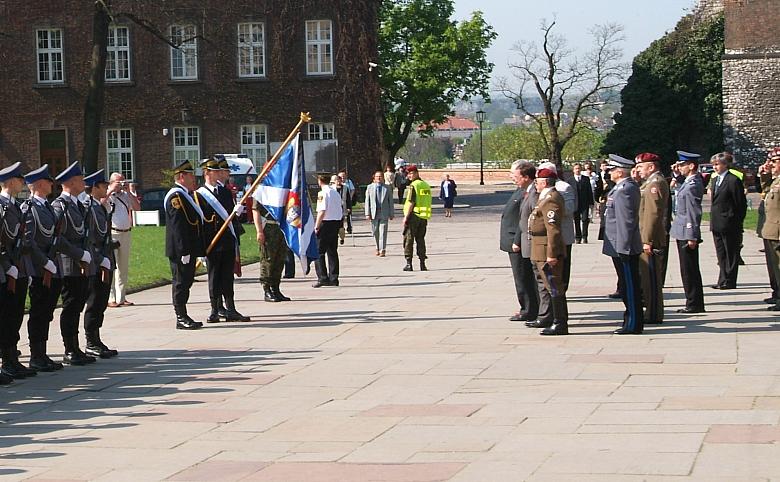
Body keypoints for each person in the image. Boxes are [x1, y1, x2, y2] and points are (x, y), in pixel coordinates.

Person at [51, 162, 100, 365]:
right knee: (71, 306)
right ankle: (69, 348)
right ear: (71, 182)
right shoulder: (59, 205)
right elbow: (59, 237)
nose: (83, 183)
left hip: (81, 263)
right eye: (80, 179)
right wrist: (79, 254)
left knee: (77, 305)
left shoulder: (77, 204)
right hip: (70, 264)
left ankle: (76, 346)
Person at [194, 159, 249, 323]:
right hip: (212, 242)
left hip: (227, 240)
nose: (219, 174)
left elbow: (230, 216)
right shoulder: (199, 195)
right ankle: (215, 309)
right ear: (207, 173)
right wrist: (200, 249)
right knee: (214, 277)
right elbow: (200, 222)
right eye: (215, 171)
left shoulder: (225, 192)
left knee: (227, 276)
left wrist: (237, 212)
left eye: (219, 171)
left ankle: (230, 308)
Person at [0, 163, 37, 382]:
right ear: (11, 182)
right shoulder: (2, 206)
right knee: (6, 317)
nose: (23, 183)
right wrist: (8, 266)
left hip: (18, 268)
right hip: (8, 269)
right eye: (20, 180)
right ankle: (7, 360)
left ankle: (12, 359)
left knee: (14, 316)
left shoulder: (14, 205)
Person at [603, 155, 644, 335]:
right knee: (627, 286)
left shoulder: (624, 189)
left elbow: (626, 222)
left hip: (624, 247)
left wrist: (624, 247)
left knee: (630, 286)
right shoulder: (621, 188)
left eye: (612, 170)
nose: (609, 172)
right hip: (619, 245)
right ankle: (630, 320)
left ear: (619, 172)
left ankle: (633, 323)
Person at [82, 170, 118, 358]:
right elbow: (90, 238)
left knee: (101, 301)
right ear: (94, 188)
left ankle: (96, 338)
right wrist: (99, 257)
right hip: (97, 262)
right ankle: (90, 340)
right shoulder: (88, 208)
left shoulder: (99, 206)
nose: (106, 188)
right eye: (103, 185)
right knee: (95, 301)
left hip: (106, 259)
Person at [165, 160, 205, 330]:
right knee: (180, 282)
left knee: (186, 281)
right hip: (181, 249)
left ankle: (183, 314)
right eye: (190, 176)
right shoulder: (176, 197)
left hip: (188, 248)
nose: (193, 178)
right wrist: (184, 250)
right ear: (182, 176)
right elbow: (178, 226)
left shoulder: (184, 194)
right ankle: (180, 316)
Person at [528, 167, 569, 336]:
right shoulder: (544, 197)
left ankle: (560, 323)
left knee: (554, 286)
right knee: (549, 285)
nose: (535, 185)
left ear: (544, 182)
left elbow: (553, 229)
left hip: (546, 249)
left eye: (537, 182)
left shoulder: (551, 199)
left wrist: (552, 253)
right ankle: (554, 320)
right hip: (539, 247)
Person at [501, 160, 539, 323]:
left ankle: (529, 309)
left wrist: (516, 240)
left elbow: (524, 220)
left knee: (523, 277)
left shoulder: (529, 193)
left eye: (514, 175)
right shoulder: (521, 190)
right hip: (513, 239)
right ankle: (528, 307)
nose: (512, 177)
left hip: (518, 241)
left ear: (525, 176)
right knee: (522, 276)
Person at [635, 152, 670, 325]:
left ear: (651, 166)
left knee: (652, 279)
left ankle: (654, 313)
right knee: (647, 279)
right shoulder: (648, 183)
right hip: (645, 236)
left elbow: (653, 214)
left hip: (650, 238)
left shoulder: (655, 184)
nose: (638, 170)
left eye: (641, 166)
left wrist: (647, 239)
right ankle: (651, 310)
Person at [670, 151, 706, 314]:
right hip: (682, 229)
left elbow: (693, 211)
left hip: (687, 231)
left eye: (683, 165)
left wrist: (692, 235)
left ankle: (694, 303)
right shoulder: (689, 181)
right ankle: (692, 301)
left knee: (689, 269)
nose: (680, 167)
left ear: (691, 166)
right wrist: (677, 174)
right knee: (687, 269)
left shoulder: (693, 184)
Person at [709, 152, 747, 290]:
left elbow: (740, 203)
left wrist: (736, 220)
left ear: (725, 164)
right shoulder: (715, 180)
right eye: (713, 165)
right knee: (721, 253)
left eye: (717, 164)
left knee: (730, 252)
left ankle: (730, 280)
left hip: (729, 222)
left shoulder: (733, 180)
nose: (715, 167)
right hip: (717, 222)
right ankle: (722, 278)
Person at [538, 162, 575, 289]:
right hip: (547, 233)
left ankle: (562, 288)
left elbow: (570, 208)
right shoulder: (540, 188)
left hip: (562, 233)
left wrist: (552, 209)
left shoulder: (564, 187)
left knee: (562, 265)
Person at [107, 172, 140, 308]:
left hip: (126, 233)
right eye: (118, 182)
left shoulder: (125, 196)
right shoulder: (108, 195)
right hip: (113, 233)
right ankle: (111, 297)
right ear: (111, 182)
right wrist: (111, 190)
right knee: (112, 266)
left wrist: (129, 192)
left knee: (123, 267)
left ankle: (121, 296)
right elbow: (100, 203)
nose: (121, 184)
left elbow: (137, 207)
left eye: (123, 182)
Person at [253, 200, 291, 302]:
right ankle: (267, 289)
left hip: (280, 228)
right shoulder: (261, 190)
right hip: (267, 228)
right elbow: (255, 210)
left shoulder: (280, 188)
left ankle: (276, 288)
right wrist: (259, 231)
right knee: (267, 260)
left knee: (279, 260)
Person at [313, 174, 343, 287]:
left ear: (320, 181)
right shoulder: (335, 192)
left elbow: (321, 211)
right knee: (332, 251)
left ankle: (322, 277)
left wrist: (316, 226)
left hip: (325, 223)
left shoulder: (322, 193)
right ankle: (334, 278)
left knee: (319, 252)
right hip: (335, 222)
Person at [758, 149, 780, 305]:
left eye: (774, 161)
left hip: (777, 231)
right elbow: (766, 193)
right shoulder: (776, 180)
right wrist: (765, 175)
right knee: (775, 269)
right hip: (770, 230)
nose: (770, 164)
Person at [402, 165, 432, 272]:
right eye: (408, 174)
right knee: (420, 240)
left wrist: (406, 217)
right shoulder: (425, 185)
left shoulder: (414, 186)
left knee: (408, 240)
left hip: (413, 216)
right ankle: (422, 263)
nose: (409, 176)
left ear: (416, 173)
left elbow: (411, 202)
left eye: (411, 173)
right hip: (423, 217)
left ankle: (409, 263)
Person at [364, 170, 394, 256]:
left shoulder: (387, 188)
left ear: (383, 178)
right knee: (375, 231)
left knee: (383, 231)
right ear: (374, 178)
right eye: (377, 176)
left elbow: (390, 201)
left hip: (384, 212)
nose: (379, 178)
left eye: (380, 176)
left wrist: (391, 213)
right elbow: (367, 201)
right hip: (374, 213)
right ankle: (377, 247)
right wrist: (367, 213)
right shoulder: (370, 187)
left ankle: (383, 249)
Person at [571, 163, 594, 243]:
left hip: (584, 202)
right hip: (575, 203)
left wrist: (591, 202)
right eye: (576, 168)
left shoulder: (586, 179)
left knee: (585, 219)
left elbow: (589, 191)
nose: (577, 170)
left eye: (578, 168)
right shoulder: (570, 180)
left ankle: (585, 236)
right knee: (576, 220)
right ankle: (578, 237)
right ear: (573, 170)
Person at [330, 174, 348, 245]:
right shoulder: (330, 189)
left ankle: (342, 237)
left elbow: (348, 199)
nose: (338, 181)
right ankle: (334, 237)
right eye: (336, 180)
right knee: (334, 226)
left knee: (341, 226)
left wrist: (349, 208)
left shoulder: (345, 188)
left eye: (339, 180)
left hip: (342, 209)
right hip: (333, 210)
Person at [338, 170, 356, 234]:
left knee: (348, 215)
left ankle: (349, 227)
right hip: (339, 202)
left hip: (347, 201)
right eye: (341, 176)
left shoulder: (348, 182)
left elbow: (352, 190)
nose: (342, 178)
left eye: (344, 176)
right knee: (341, 216)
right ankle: (341, 229)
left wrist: (350, 198)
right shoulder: (337, 184)